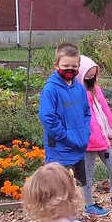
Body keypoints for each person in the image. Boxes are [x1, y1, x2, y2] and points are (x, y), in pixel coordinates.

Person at [77, 54, 112, 216]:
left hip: (102, 139)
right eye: (88, 76)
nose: (91, 78)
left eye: (93, 75)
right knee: (88, 173)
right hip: (88, 142)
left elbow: (105, 111)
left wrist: (111, 131)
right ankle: (88, 204)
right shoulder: (78, 93)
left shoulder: (97, 90)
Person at [39, 42, 92, 192]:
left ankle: (72, 215)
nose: (70, 70)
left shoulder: (79, 88)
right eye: (66, 66)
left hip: (78, 147)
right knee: (58, 190)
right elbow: (48, 118)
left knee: (75, 189)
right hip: (60, 150)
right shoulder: (51, 89)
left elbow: (87, 112)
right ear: (56, 65)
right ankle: (56, 216)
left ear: (79, 66)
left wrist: (85, 132)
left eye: (74, 67)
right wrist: (66, 137)